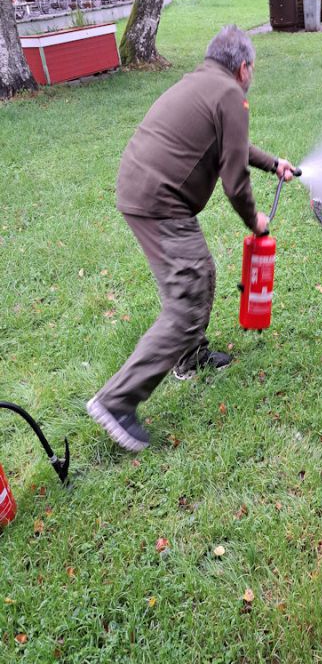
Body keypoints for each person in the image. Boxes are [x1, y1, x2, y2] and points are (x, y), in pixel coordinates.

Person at [87, 25, 296, 452]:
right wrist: (254, 219)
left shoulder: (203, 82)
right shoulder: (231, 96)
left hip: (141, 187)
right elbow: (234, 181)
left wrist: (273, 163)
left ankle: (191, 355)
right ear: (243, 67)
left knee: (199, 276)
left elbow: (233, 147)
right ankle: (116, 401)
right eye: (252, 69)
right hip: (160, 200)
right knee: (188, 299)